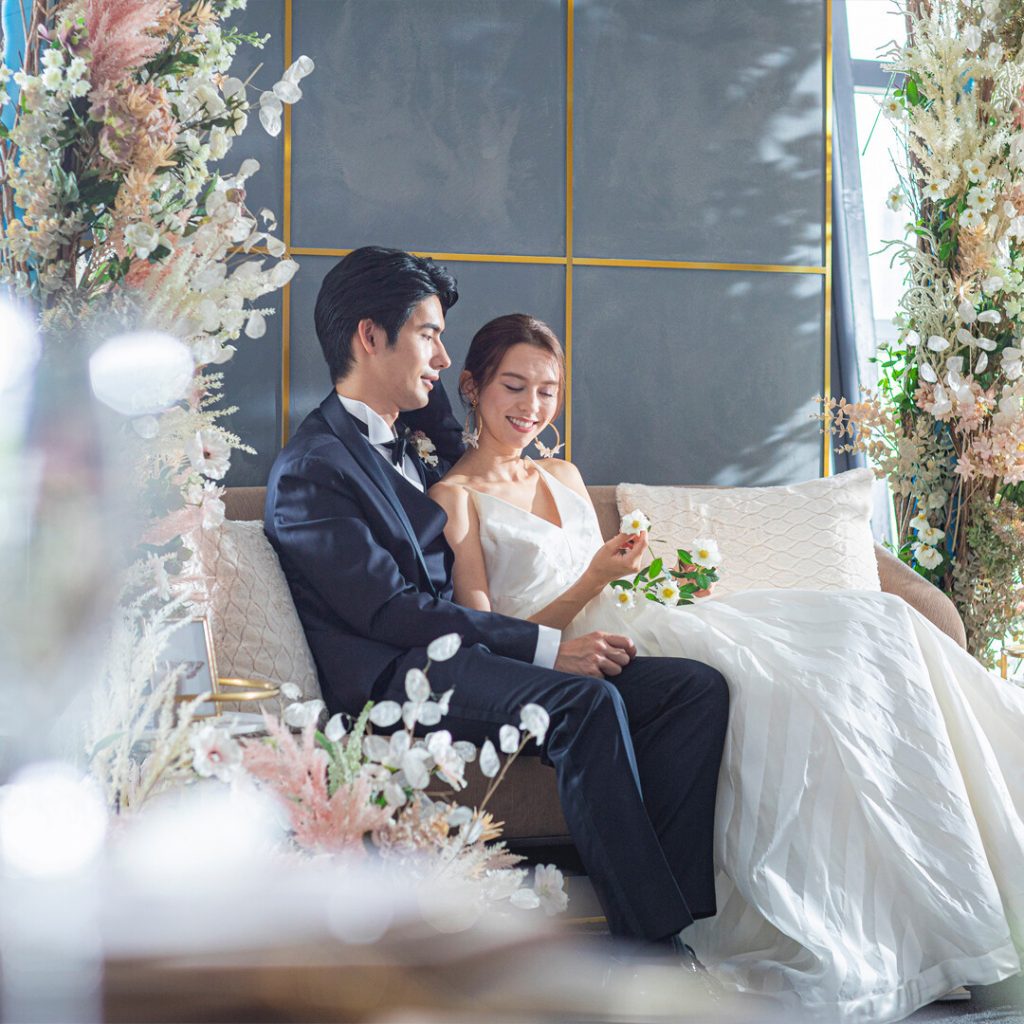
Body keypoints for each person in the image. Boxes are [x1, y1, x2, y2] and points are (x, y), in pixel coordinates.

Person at [428, 312, 1024, 1024]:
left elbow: (614, 581)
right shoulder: (454, 499)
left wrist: (647, 576)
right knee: (778, 683)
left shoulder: (563, 473)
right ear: (473, 386)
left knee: (873, 625)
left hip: (644, 623)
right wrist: (594, 580)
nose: (531, 406)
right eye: (514, 386)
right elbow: (491, 638)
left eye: (547, 391)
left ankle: (963, 904)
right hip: (580, 654)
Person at [264, 247, 730, 962]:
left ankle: (673, 909)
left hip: (459, 656)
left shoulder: (417, 430)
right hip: (397, 680)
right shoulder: (311, 469)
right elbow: (391, 613)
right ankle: (652, 950)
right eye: (428, 335)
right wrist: (547, 648)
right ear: (369, 336)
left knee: (693, 691)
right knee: (585, 702)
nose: (443, 358)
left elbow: (486, 451)